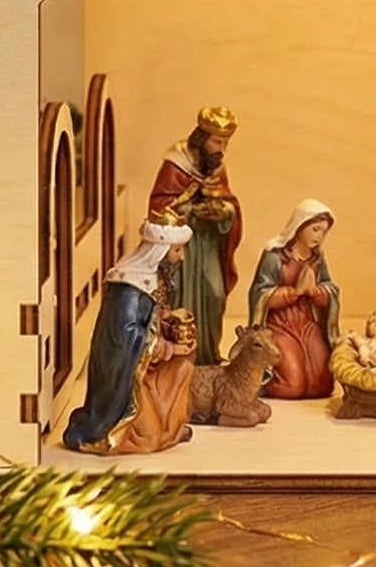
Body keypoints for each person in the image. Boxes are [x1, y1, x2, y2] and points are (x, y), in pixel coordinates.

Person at [62, 213, 198, 455]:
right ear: (160, 251)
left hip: (147, 367)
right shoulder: (128, 287)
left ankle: (170, 427)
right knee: (149, 438)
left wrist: (168, 318)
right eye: (177, 251)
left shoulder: (154, 278)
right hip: (126, 376)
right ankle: (115, 431)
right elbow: (126, 336)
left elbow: (151, 314)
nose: (182, 257)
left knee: (184, 369)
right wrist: (168, 348)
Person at [148, 105, 242, 366]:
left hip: (208, 243)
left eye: (225, 142)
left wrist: (224, 212)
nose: (221, 148)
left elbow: (231, 203)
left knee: (214, 292)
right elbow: (160, 205)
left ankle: (208, 354)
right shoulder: (176, 164)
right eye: (216, 141)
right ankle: (180, 359)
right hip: (182, 247)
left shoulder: (217, 168)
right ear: (201, 138)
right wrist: (192, 211)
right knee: (178, 296)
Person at [247, 199, 342, 399]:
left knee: (322, 384)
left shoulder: (317, 257)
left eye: (324, 231)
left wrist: (316, 292)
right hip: (279, 326)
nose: (320, 236)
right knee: (294, 386)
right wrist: (293, 293)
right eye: (315, 229)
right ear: (300, 226)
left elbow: (329, 287)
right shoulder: (274, 256)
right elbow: (259, 293)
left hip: (306, 324)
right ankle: (263, 381)